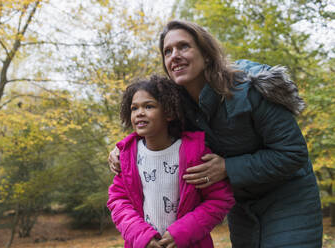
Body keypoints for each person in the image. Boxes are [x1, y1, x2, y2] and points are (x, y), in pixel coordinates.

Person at [109, 20, 323, 247]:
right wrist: (122, 148)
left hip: (288, 198)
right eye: (167, 51)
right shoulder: (177, 106)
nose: (175, 55)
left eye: (184, 46)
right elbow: (156, 132)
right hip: (241, 205)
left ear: (207, 54)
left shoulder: (250, 88)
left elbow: (292, 153)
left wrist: (227, 167)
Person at [107, 75, 235, 248]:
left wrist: (181, 233)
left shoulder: (194, 153)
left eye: (148, 106)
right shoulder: (127, 156)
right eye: (134, 108)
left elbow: (219, 199)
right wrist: (141, 236)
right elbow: (118, 201)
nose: (139, 113)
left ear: (168, 112)